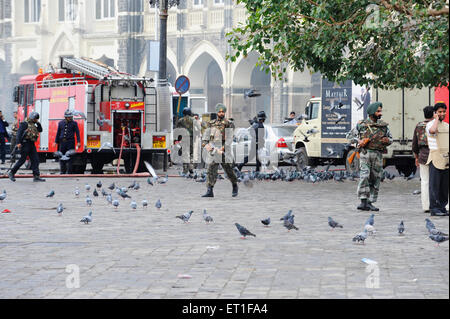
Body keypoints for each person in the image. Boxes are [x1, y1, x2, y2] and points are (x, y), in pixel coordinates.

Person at [354, 102, 393, 211]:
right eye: (378, 111)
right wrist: (359, 141)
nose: (380, 113)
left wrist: (387, 141)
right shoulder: (361, 124)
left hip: (378, 155)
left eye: (380, 111)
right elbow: (350, 136)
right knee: (364, 176)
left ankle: (370, 202)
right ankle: (363, 200)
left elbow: (390, 138)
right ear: (372, 112)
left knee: (375, 178)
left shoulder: (383, 126)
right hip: (365, 154)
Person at [202, 103, 238, 198]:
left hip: (224, 150)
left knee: (229, 169)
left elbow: (229, 138)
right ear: (217, 112)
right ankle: (210, 190)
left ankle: (234, 185)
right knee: (211, 169)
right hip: (214, 150)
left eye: (223, 112)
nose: (221, 113)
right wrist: (207, 146)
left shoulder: (229, 124)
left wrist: (223, 148)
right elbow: (205, 138)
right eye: (219, 111)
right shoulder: (211, 123)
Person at [425, 102, 449, 217]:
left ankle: (442, 207)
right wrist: (435, 119)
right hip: (435, 157)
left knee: (444, 186)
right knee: (434, 185)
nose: (442, 114)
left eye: (444, 111)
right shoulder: (430, 125)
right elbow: (433, 131)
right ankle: (434, 208)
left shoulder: (447, 126)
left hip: (446, 158)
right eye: (439, 112)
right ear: (435, 113)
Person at [8, 111, 45, 182]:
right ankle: (12, 173)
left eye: (37, 119)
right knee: (22, 160)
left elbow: (40, 130)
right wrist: (18, 143)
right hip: (25, 143)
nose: (36, 120)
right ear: (32, 118)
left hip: (31, 144)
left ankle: (36, 176)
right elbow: (19, 133)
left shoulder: (34, 124)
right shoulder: (24, 124)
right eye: (35, 119)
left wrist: (38, 123)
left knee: (35, 160)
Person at [412, 106, 434, 213]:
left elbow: (415, 145)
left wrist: (416, 157)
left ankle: (426, 206)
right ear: (434, 114)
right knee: (436, 181)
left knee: (424, 181)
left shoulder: (419, 126)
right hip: (435, 155)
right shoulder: (435, 125)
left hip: (423, 155)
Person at [54, 109, 81, 174]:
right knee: (61, 156)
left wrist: (78, 142)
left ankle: (69, 171)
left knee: (70, 157)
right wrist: (56, 142)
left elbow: (77, 133)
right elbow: (58, 133)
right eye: (69, 117)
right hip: (62, 142)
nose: (70, 118)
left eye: (71, 117)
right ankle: (62, 171)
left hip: (70, 142)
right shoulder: (61, 123)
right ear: (66, 117)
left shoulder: (74, 123)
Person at [176, 107, 194, 175]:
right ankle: (191, 167)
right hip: (192, 138)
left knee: (185, 154)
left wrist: (178, 139)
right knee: (191, 154)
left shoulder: (180, 120)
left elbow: (178, 130)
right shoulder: (194, 120)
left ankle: (185, 170)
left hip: (184, 139)